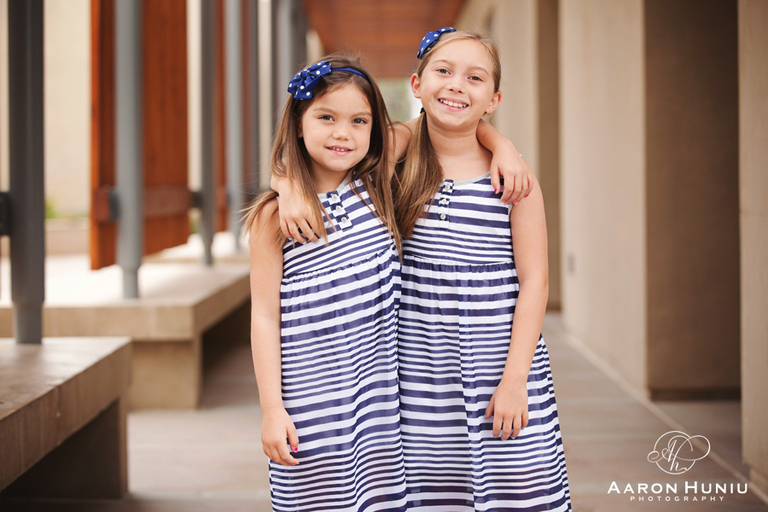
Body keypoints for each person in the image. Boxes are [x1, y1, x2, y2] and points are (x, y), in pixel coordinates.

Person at [394, 28, 571, 511]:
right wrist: (285, 183)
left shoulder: (514, 180)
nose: (457, 85)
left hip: (503, 366)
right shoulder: (395, 166)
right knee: (432, 493)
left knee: (519, 485)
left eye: (475, 78)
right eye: (443, 72)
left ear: (493, 99)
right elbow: (318, 155)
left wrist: (515, 381)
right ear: (416, 83)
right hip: (420, 374)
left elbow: (535, 282)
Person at [243, 55, 407, 512]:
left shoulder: (376, 186)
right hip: (308, 398)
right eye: (326, 117)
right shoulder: (274, 216)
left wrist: (504, 145)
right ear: (298, 122)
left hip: (376, 398)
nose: (343, 133)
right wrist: (272, 410)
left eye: (359, 121)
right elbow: (263, 316)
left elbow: (424, 125)